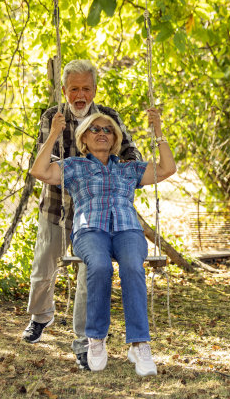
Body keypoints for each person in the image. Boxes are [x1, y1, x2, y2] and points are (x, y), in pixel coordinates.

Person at [30, 108, 175, 375]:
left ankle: (139, 344)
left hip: (127, 229)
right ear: (83, 138)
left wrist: (159, 134)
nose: (101, 133)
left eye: (107, 130)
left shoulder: (129, 170)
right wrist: (53, 134)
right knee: (99, 266)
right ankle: (95, 339)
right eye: (94, 129)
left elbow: (168, 168)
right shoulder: (74, 166)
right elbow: (38, 171)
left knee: (132, 266)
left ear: (115, 139)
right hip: (89, 230)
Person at [22, 60, 141, 373]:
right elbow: (46, 164)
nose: (80, 94)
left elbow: (131, 153)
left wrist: (125, 170)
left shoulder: (107, 118)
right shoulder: (53, 116)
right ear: (64, 90)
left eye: (86, 88)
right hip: (56, 208)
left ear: (94, 89)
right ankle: (41, 315)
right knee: (43, 270)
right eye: (73, 88)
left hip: (96, 215)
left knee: (92, 274)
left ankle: (83, 345)